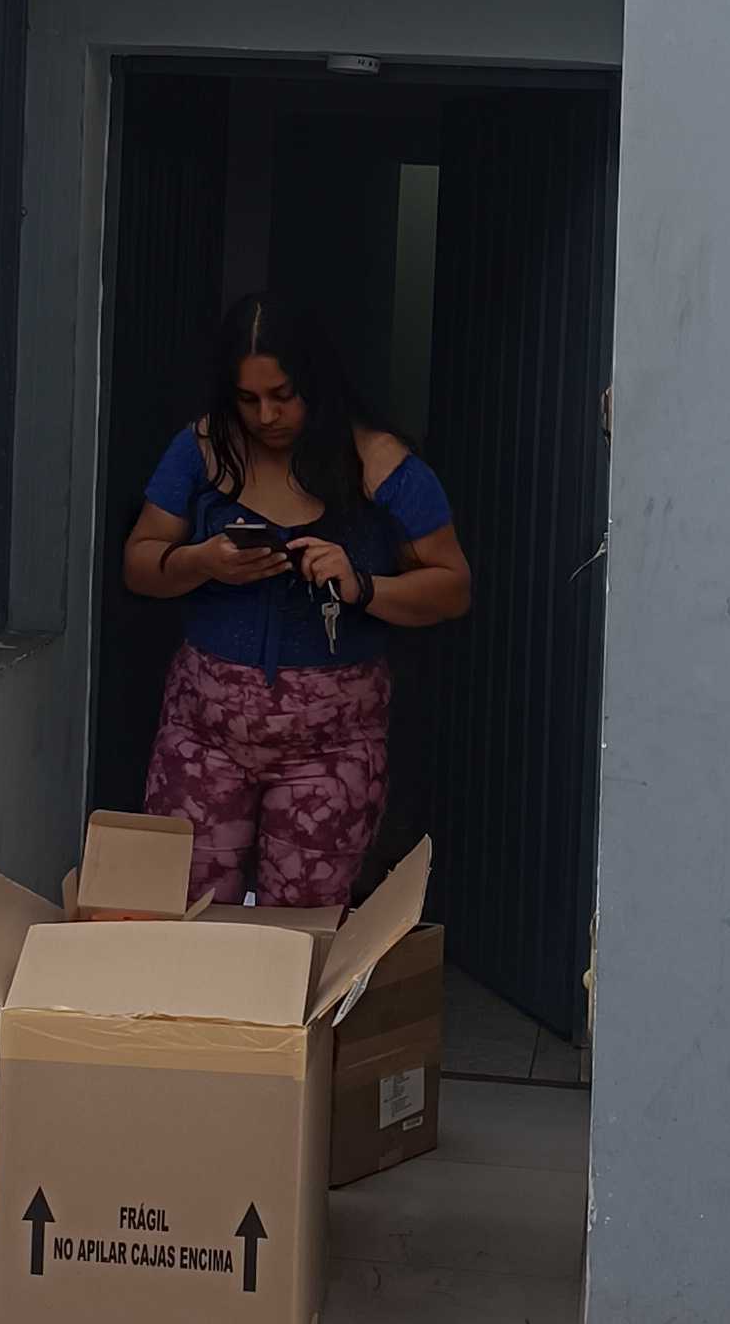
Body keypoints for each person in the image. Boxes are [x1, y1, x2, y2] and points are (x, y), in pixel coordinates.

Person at [122, 292, 471, 911]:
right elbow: (138, 564)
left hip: (331, 745)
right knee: (184, 909)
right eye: (248, 399)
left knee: (303, 922)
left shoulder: (380, 464)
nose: (266, 416)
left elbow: (452, 588)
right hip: (203, 733)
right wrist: (202, 561)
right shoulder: (202, 450)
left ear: (318, 383)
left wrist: (363, 585)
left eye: (283, 395)